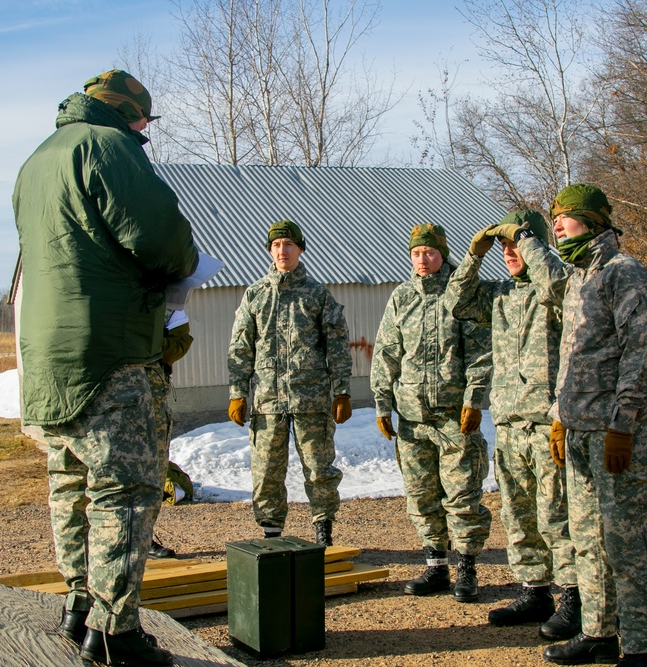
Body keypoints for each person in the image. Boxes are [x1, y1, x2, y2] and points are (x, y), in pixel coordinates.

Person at [13, 69, 198, 667]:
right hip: (110, 352)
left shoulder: (37, 161)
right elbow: (162, 239)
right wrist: (184, 264)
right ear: (128, 114)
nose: (146, 131)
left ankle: (78, 607)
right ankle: (115, 633)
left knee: (70, 480)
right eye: (144, 120)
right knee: (125, 488)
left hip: (47, 357)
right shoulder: (109, 147)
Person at [538, 185, 647, 667]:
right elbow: (571, 359)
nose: (556, 225)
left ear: (593, 223)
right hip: (578, 432)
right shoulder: (578, 279)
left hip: (619, 436)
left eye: (565, 217)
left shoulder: (625, 273)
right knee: (588, 539)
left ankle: (638, 648)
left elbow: (646, 350)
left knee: (626, 543)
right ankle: (599, 632)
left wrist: (624, 423)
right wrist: (559, 418)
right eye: (553, 218)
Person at [445, 210, 580, 638]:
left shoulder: (558, 290)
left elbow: (557, 285)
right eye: (503, 248)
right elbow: (456, 302)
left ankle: (575, 597)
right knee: (519, 517)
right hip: (510, 425)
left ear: (536, 247)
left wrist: (528, 241)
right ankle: (534, 590)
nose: (508, 254)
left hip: (548, 425)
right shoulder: (500, 296)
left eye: (515, 247)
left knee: (557, 514)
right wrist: (473, 256)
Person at [370, 223, 493, 603]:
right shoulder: (401, 297)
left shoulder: (461, 295)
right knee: (422, 496)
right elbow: (387, 352)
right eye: (416, 254)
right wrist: (382, 402)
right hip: (412, 418)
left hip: (454, 417)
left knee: (461, 496)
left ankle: (467, 568)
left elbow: (480, 353)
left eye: (430, 253)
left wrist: (474, 400)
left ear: (443, 255)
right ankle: (436, 565)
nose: (422, 261)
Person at [226, 220, 352, 546]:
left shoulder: (317, 295)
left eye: (289, 245)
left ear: (300, 249)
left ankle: (324, 530)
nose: (282, 251)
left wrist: (342, 391)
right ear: (270, 251)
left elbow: (336, 345)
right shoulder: (255, 295)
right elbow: (241, 347)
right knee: (266, 472)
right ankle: (271, 534)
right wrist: (237, 393)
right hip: (267, 401)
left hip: (310, 399)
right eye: (277, 245)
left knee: (320, 469)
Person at [147, 319, 195, 559]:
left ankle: (142, 537)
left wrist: (142, 337)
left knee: (154, 472)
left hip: (152, 398)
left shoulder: (166, 304)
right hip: (104, 397)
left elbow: (178, 345)